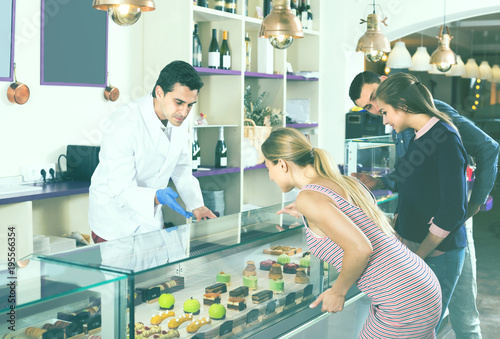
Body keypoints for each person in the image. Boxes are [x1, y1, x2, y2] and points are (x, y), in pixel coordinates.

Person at [350, 71, 499, 338]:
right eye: (370, 108)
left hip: (446, 226)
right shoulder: (408, 125)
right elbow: (414, 173)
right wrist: (379, 181)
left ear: (394, 94)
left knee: (461, 310)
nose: (377, 114)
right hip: (426, 230)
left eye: (377, 104)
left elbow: (488, 149)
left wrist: (475, 203)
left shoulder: (438, 122)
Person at [263, 127, 442, 339]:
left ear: (282, 164)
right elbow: (352, 220)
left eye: (268, 168)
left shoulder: (309, 198)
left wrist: (338, 292)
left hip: (402, 302)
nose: (270, 177)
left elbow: (360, 248)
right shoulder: (344, 182)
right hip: (420, 286)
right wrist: (309, 213)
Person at [374, 72, 469, 330]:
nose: (384, 121)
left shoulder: (445, 138)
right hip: (420, 252)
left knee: (421, 331)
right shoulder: (420, 136)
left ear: (403, 105)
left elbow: (452, 210)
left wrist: (418, 257)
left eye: (385, 112)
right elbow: (411, 182)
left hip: (438, 254)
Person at [89, 60, 216, 242]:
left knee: (154, 269)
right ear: (159, 92)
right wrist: (156, 196)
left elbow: (182, 170)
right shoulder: (123, 122)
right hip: (114, 221)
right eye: (179, 102)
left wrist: (197, 205)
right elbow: (119, 189)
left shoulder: (178, 120)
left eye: (190, 105)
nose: (184, 111)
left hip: (150, 218)